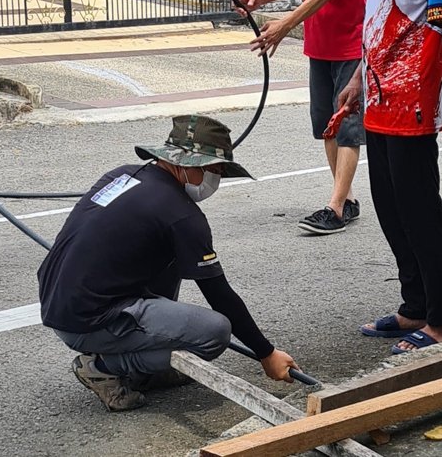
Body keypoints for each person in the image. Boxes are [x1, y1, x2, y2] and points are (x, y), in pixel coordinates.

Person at [38, 115, 299, 412]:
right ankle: (103, 365)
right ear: (188, 164)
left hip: (58, 301)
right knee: (214, 333)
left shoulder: (124, 175)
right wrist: (266, 353)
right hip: (87, 320)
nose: (215, 180)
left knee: (175, 255)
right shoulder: (181, 215)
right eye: (213, 170)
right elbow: (219, 295)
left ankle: (146, 367)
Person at [337, 0, 442, 354]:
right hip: (380, 100)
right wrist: (358, 78)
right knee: (390, 208)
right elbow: (376, 22)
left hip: (413, 99)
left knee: (419, 212)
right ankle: (415, 306)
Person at [236, 0, 371, 234]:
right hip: (320, 43)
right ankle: (347, 199)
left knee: (347, 125)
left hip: (351, 42)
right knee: (327, 126)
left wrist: (285, 24)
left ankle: (335, 208)